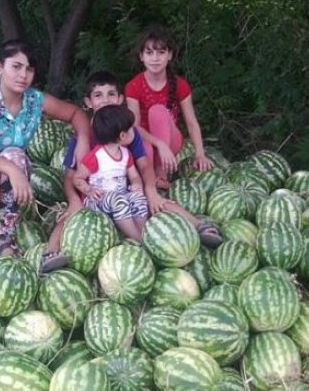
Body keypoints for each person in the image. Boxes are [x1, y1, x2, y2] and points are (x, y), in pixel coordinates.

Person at [39, 71, 222, 273]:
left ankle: (199, 226)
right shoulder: (83, 137)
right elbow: (71, 177)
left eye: (111, 94)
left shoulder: (127, 134)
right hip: (94, 197)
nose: (105, 100)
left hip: (125, 194)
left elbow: (143, 166)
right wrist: (74, 200)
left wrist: (150, 190)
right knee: (66, 219)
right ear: (88, 102)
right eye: (98, 95)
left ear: (120, 99)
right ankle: (51, 252)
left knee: (162, 204)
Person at [0, 39, 91, 272]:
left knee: (16, 155)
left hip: (7, 164)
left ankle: (6, 243)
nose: (23, 75)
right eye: (16, 66)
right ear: (0, 67)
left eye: (29, 69)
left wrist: (82, 143)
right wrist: (12, 171)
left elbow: (76, 114)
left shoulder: (34, 101)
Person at [125, 25, 213, 189]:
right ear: (141, 57)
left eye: (161, 52)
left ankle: (161, 173)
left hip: (171, 140)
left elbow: (192, 123)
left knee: (157, 110)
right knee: (146, 149)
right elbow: (134, 126)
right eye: (149, 53)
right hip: (145, 142)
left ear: (169, 55)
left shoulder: (180, 85)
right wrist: (159, 144)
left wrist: (200, 154)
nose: (155, 58)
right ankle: (149, 182)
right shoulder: (133, 86)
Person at [73, 105, 149, 241]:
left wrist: (137, 184)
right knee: (118, 201)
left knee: (138, 197)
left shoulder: (126, 154)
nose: (134, 131)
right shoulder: (96, 156)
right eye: (131, 128)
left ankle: (142, 231)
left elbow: (134, 176)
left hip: (120, 196)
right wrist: (89, 190)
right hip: (98, 201)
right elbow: (77, 178)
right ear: (122, 135)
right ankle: (138, 239)